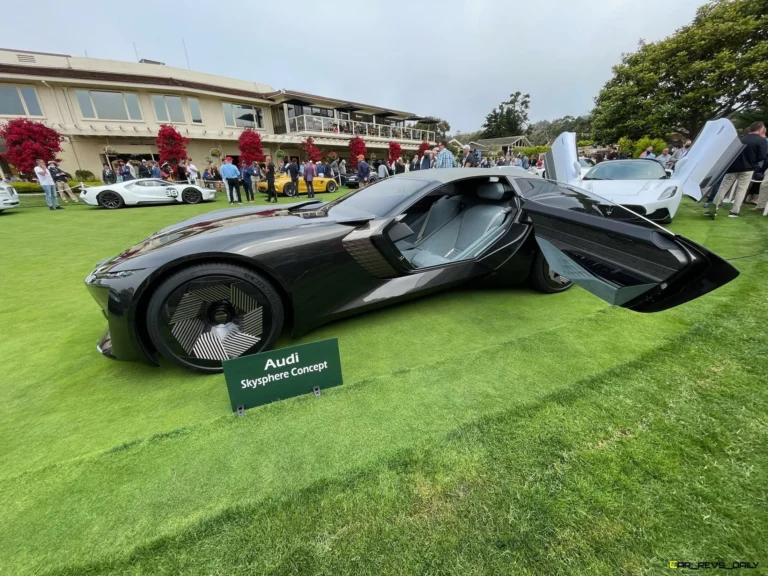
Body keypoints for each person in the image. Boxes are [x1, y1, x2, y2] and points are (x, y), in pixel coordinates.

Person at [708, 121, 768, 218]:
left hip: (733, 167)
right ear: (760, 129)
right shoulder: (761, 140)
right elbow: (761, 156)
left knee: (723, 188)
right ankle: (734, 211)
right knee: (741, 189)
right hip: (748, 168)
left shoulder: (740, 139)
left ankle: (714, 207)